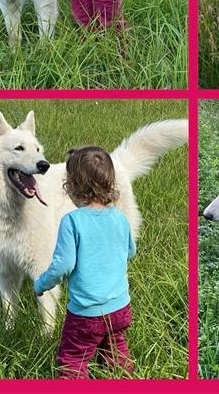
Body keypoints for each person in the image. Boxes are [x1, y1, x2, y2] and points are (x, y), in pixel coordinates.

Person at [34, 146, 135, 378]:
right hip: (120, 308)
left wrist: (41, 284)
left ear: (70, 186)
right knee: (115, 347)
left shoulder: (72, 221)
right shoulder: (119, 217)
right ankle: (125, 375)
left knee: (72, 360)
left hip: (86, 314)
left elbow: (62, 266)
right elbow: (130, 251)